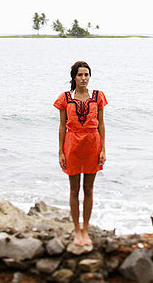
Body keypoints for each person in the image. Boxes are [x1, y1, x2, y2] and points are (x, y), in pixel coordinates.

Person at [53, 61, 107, 246]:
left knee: (89, 189)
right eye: (80, 75)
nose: (83, 78)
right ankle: (77, 230)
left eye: (86, 75)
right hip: (72, 145)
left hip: (93, 144)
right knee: (74, 189)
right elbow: (62, 126)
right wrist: (60, 151)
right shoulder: (65, 98)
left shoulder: (98, 97)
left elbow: (101, 124)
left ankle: (86, 229)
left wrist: (103, 149)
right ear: (74, 77)